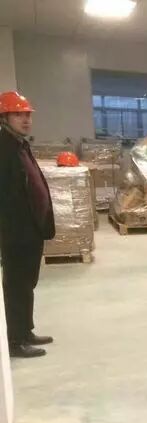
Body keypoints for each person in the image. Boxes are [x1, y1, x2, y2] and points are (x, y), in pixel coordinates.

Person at [0, 91, 55, 358]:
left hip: (31, 228)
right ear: (4, 117)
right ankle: (15, 340)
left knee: (27, 283)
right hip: (16, 231)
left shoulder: (20, 145)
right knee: (16, 285)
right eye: (18, 115)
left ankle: (25, 331)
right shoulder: (3, 148)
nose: (25, 120)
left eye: (27, 115)